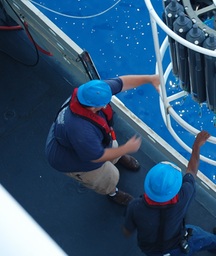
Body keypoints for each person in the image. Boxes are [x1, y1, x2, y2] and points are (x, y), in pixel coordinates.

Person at [45, 74, 159, 206]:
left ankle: (117, 157)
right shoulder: (82, 131)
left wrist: (150, 79)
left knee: (112, 146)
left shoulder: (90, 93)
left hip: (91, 144)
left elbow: (121, 83)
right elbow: (97, 156)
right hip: (75, 160)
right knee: (108, 177)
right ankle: (113, 192)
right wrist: (126, 148)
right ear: (94, 108)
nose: (107, 103)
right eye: (105, 103)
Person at [122, 130, 216, 256]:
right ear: (174, 190)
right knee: (203, 237)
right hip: (178, 249)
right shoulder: (183, 197)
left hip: (152, 254)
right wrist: (196, 145)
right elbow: (192, 170)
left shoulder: (135, 206)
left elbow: (127, 231)